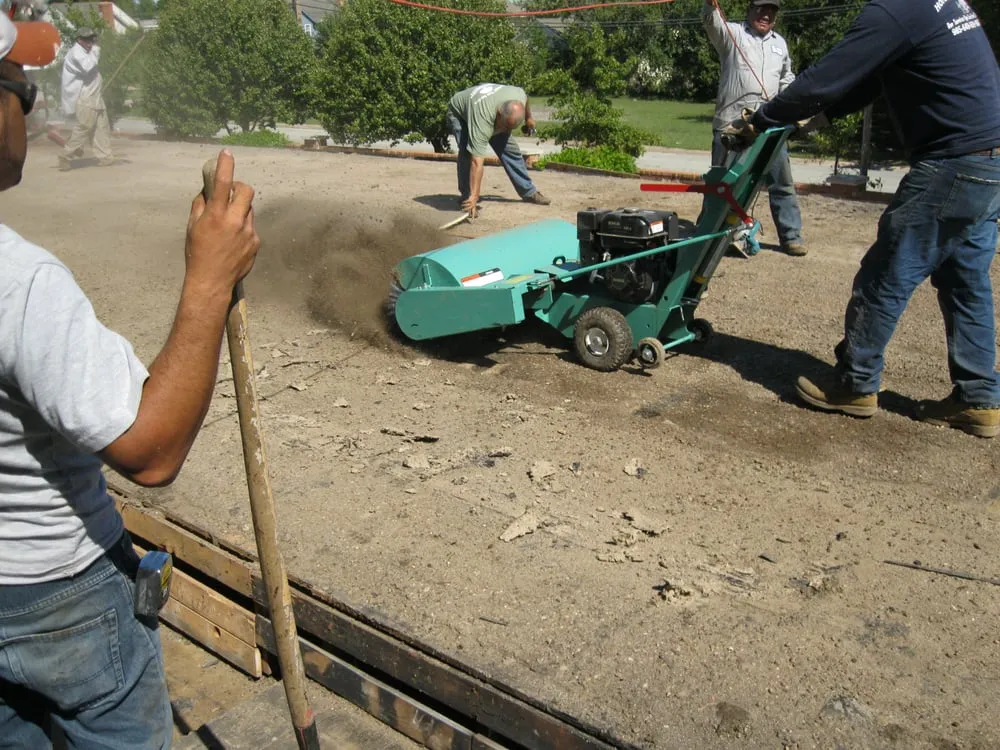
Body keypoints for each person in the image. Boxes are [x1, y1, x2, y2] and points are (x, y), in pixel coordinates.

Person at [0, 14, 260, 748]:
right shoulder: (19, 283)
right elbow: (150, 451)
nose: (27, 109)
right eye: (20, 91)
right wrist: (209, 279)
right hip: (54, 593)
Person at [743, 0, 1000, 438]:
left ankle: (854, 383)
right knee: (965, 279)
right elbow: (869, 82)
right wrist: (812, 123)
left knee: (887, 272)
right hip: (990, 160)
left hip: (953, 162)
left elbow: (824, 78)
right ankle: (979, 398)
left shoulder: (895, 11)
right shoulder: (936, 5)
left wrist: (765, 117)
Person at [702, 0, 807, 256]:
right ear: (749, 10)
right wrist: (710, 4)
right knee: (722, 184)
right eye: (761, 9)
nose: (766, 14)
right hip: (732, 125)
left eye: (771, 10)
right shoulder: (733, 34)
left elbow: (786, 78)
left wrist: (793, 104)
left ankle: (791, 237)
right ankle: (708, 236)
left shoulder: (780, 44)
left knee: (782, 182)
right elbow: (712, 23)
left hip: (770, 127)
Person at [446, 82, 550, 216]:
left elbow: (525, 98)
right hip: (460, 114)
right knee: (467, 153)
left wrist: (529, 118)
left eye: (509, 128)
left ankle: (528, 192)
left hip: (487, 109)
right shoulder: (482, 120)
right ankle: (468, 199)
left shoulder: (518, 95)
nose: (505, 130)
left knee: (511, 150)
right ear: (500, 114)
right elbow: (476, 162)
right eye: (505, 126)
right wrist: (475, 196)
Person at [59, 26, 111, 170]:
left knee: (101, 127)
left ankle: (104, 156)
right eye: (87, 40)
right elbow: (89, 66)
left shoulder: (85, 51)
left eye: (92, 39)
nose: (90, 42)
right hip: (85, 96)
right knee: (84, 126)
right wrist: (96, 49)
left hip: (95, 95)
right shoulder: (76, 53)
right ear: (79, 40)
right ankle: (66, 155)